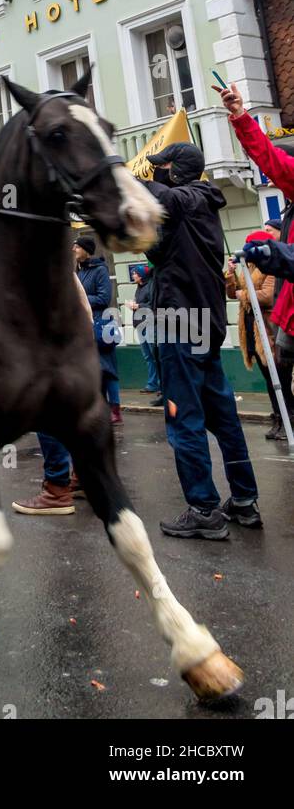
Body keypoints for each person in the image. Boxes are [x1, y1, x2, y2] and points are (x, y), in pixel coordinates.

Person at [143, 141, 260, 538]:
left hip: (181, 323)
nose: (158, 173)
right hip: (205, 323)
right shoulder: (201, 205)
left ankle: (203, 508)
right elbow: (162, 251)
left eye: (163, 167)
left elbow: (154, 195)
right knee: (223, 417)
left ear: (176, 172)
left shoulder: (185, 199)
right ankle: (243, 501)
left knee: (183, 417)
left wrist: (117, 172)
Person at [220, 81, 294, 438]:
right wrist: (239, 115)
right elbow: (270, 159)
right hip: (288, 321)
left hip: (282, 319)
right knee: (279, 370)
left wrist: (276, 254)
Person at [226, 232, 292, 439]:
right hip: (252, 329)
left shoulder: (268, 268)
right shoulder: (250, 267)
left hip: (268, 329)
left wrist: (242, 294)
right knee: (269, 379)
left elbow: (268, 295)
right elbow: (231, 292)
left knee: (278, 377)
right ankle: (279, 419)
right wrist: (230, 274)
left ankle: (287, 419)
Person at [74, 235, 121, 425]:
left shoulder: (100, 270)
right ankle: (101, 408)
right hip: (87, 326)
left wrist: (80, 300)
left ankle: (115, 410)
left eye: (76, 246)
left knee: (108, 370)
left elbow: (104, 298)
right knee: (96, 369)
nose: (73, 249)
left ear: (86, 249)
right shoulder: (80, 272)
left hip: (102, 325)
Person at [127, 264, 162, 402]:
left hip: (149, 324)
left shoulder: (150, 286)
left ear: (141, 275)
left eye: (135, 273)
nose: (133, 275)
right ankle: (152, 384)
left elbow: (152, 304)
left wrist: (138, 306)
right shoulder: (139, 288)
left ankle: (160, 384)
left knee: (155, 355)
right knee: (148, 356)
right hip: (140, 325)